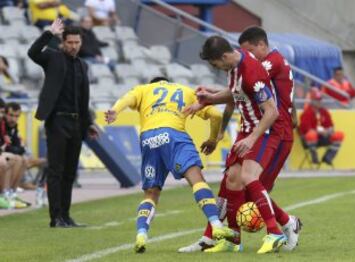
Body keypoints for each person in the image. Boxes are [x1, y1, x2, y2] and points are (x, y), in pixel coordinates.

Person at [179, 27, 301, 253]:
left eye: (216, 64)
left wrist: (252, 137)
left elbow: (270, 109)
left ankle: (279, 228)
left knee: (251, 184)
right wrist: (208, 100)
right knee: (232, 180)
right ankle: (230, 239)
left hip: (268, 131)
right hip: (250, 129)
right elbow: (236, 93)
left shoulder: (259, 67)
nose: (216, 69)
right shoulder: (236, 67)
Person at [105, 77, 234, 253]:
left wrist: (114, 110)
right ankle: (217, 225)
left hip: (149, 139)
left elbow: (126, 99)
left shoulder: (143, 89)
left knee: (151, 193)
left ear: (154, 83)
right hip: (174, 136)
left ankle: (141, 235)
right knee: (196, 180)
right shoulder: (186, 91)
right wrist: (212, 139)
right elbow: (216, 115)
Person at [27, 19, 99, 228]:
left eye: (77, 42)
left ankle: (66, 216)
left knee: (70, 172)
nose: (74, 46)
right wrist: (48, 33)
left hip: (76, 124)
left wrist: (89, 124)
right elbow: (32, 52)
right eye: (70, 42)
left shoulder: (83, 65)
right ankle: (55, 217)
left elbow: (82, 98)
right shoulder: (52, 57)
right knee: (56, 171)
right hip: (57, 120)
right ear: (63, 42)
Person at [299, 88, 344, 165]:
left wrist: (328, 131)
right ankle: (314, 158)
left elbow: (331, 126)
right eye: (317, 100)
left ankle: (328, 158)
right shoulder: (307, 113)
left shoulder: (324, 112)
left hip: (323, 137)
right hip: (310, 141)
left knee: (339, 135)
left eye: (320, 100)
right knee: (311, 134)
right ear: (312, 101)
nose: (319, 102)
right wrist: (320, 132)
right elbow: (306, 129)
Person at [0, 99, 29, 209]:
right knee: (11, 158)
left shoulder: (13, 127)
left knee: (22, 160)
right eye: (11, 115)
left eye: (17, 116)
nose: (13, 119)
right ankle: (4, 194)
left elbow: (19, 147)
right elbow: (7, 146)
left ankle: (11, 193)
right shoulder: (3, 125)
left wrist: (16, 149)